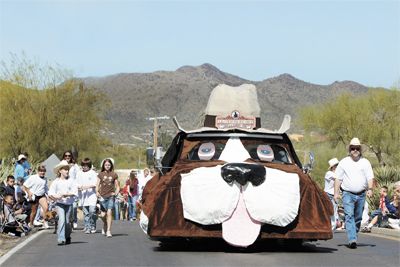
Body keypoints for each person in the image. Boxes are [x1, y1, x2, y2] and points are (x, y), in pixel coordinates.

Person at [334, 137, 374, 249]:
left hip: (361, 194)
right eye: (352, 148)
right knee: (349, 215)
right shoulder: (344, 162)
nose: (355, 150)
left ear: (360, 149)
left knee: (358, 217)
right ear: (349, 150)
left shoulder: (365, 162)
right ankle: (352, 239)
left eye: (357, 148)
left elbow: (370, 177)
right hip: (347, 193)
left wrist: (370, 189)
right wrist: (336, 193)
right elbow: (338, 179)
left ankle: (354, 237)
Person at [48, 160, 78, 245]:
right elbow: (50, 193)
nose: (67, 171)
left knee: (67, 222)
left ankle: (67, 236)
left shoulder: (72, 181)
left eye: (67, 169)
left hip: (69, 204)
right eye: (64, 169)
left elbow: (74, 192)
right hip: (60, 204)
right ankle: (61, 238)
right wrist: (55, 197)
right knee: (61, 220)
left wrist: (66, 194)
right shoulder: (56, 182)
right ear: (60, 171)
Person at [96, 158, 120, 237]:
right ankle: (105, 223)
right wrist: (97, 192)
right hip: (102, 197)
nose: (107, 166)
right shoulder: (100, 174)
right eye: (106, 165)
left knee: (109, 212)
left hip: (110, 196)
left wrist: (116, 193)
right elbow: (97, 185)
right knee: (103, 215)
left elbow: (117, 186)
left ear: (111, 165)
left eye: (109, 165)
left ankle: (108, 231)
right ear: (103, 165)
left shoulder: (114, 174)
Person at [76, 158, 97, 234]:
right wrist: (79, 187)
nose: (84, 167)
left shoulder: (93, 173)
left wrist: (87, 187)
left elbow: (95, 184)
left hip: (91, 196)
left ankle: (93, 224)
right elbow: (76, 183)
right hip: (83, 196)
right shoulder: (79, 173)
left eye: (86, 165)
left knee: (92, 211)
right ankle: (88, 227)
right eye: (83, 165)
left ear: (89, 166)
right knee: (86, 213)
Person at [62, 150, 80, 229]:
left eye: (69, 156)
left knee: (74, 206)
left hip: (73, 187)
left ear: (71, 157)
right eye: (66, 156)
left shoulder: (75, 166)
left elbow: (78, 176)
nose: (67, 157)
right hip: (64, 187)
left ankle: (74, 220)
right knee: (67, 206)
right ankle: (68, 221)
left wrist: (78, 185)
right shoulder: (61, 165)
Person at [324, 158, 339, 231]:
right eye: (336, 165)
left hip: (334, 195)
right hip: (328, 194)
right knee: (329, 211)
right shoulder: (329, 173)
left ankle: (331, 228)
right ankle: (328, 227)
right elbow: (338, 179)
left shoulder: (336, 174)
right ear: (332, 166)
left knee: (334, 212)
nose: (338, 166)